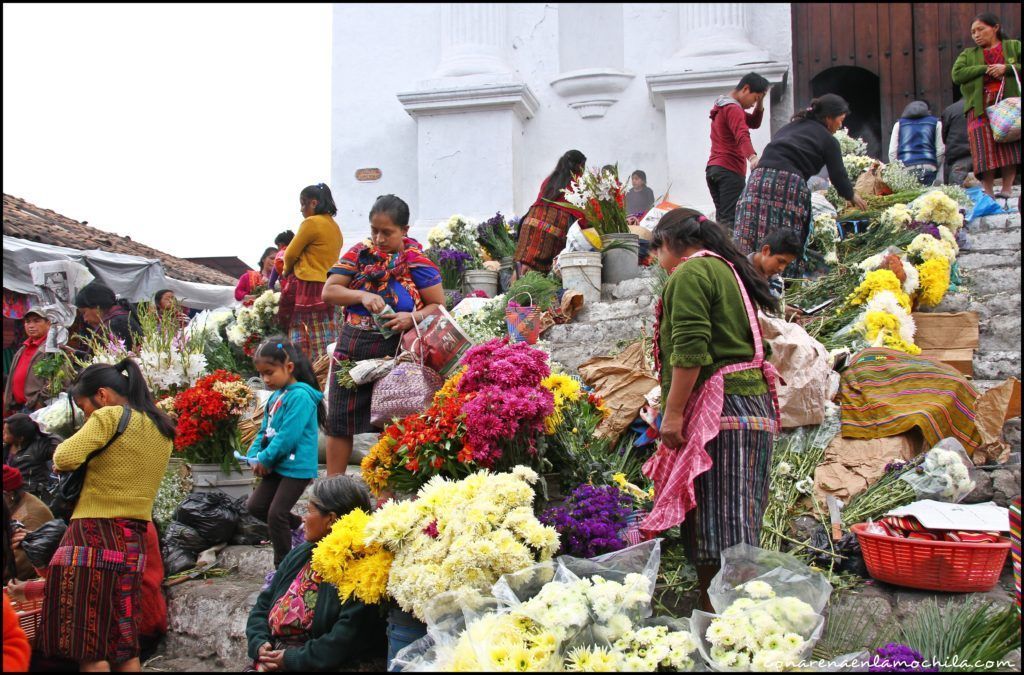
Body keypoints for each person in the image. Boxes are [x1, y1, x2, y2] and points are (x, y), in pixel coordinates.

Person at [642, 208, 780, 612]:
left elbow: (690, 351)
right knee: (737, 524)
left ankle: (723, 626)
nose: (657, 262)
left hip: (722, 413)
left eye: (657, 251)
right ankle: (732, 622)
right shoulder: (727, 269)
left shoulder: (690, 274)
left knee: (718, 532)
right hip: (750, 408)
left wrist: (672, 414)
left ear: (670, 243)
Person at [37, 359, 174, 672]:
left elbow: (64, 456)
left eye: (85, 406)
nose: (87, 414)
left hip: (93, 535)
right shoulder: (161, 426)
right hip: (135, 537)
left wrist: (87, 431)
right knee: (123, 642)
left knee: (90, 644)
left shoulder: (109, 416)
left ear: (102, 394)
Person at [322, 195, 443, 475]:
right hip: (352, 345)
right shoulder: (358, 254)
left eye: (387, 232)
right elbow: (329, 291)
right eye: (374, 230)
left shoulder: (416, 263)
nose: (378, 238)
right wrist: (361, 295)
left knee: (390, 419)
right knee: (339, 420)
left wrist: (411, 317)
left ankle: (387, 492)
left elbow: (437, 305)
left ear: (405, 230)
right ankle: (331, 490)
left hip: (394, 349)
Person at [245, 475, 384, 672]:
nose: (303, 518)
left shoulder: (361, 570)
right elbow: (263, 605)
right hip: (274, 657)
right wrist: (260, 643)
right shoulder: (302, 554)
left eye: (309, 511)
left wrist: (291, 659)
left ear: (331, 520)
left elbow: (345, 638)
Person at [733, 94, 868, 274]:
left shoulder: (790, 127)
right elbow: (838, 176)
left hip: (758, 180)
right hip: (787, 185)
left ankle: (741, 277)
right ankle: (783, 282)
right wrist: (852, 195)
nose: (841, 125)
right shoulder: (829, 140)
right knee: (785, 236)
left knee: (750, 231)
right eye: (840, 120)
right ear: (829, 118)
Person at [245, 338, 324, 567]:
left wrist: (265, 458)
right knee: (255, 507)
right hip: (278, 465)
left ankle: (283, 567)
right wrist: (254, 454)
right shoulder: (276, 396)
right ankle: (299, 526)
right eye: (261, 374)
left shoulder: (300, 396)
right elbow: (264, 430)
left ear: (289, 368)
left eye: (269, 373)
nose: (265, 380)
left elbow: (287, 436)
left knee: (276, 514)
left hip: (296, 467)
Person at [952, 13, 1021, 198]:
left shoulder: (1014, 47)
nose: (976, 35)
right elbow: (957, 74)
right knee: (983, 148)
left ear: (995, 27)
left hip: (1008, 105)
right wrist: (985, 69)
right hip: (979, 107)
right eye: (973, 31)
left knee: (1009, 144)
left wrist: (1006, 68)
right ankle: (988, 190)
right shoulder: (968, 54)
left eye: (981, 29)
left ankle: (1007, 188)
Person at [280, 183, 344, 360]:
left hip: (308, 289)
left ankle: (306, 380)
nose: (301, 209)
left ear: (314, 203)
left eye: (303, 204)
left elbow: (290, 254)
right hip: (329, 286)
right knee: (325, 340)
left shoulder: (311, 222)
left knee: (302, 340)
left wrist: (286, 272)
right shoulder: (335, 226)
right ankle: (324, 376)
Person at [706, 72, 770, 228]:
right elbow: (742, 133)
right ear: (746, 89)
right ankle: (728, 252)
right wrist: (752, 157)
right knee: (730, 222)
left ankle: (719, 250)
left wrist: (760, 101)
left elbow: (754, 122)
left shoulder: (724, 106)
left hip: (714, 170)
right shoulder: (734, 109)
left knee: (722, 220)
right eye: (755, 99)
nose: (754, 104)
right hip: (730, 170)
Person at [513, 149, 587, 275]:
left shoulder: (549, 179)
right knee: (546, 271)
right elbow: (583, 215)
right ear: (580, 165)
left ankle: (515, 289)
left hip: (531, 221)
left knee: (523, 266)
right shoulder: (579, 182)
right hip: (554, 225)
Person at [3, 465, 54, 582]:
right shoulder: (15, 504)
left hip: (25, 583)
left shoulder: (30, 515)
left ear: (9, 495)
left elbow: (18, 568)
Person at [3, 307, 53, 417]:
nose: (31, 325)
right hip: (20, 408)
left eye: (36, 321)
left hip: (36, 410)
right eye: (27, 322)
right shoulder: (23, 348)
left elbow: (57, 381)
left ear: (48, 323)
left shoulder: (51, 349)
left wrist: (38, 403)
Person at [74, 281, 143, 352]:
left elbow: (124, 359)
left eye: (84, 312)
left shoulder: (117, 323)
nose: (85, 319)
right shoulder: (118, 319)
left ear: (96, 306)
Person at [887, 100, 945, 186]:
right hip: (928, 168)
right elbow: (940, 150)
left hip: (906, 169)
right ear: (928, 111)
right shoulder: (936, 123)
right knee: (929, 198)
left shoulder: (899, 124)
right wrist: (934, 166)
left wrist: (897, 171)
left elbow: (892, 152)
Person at [4, 415, 58, 503]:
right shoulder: (6, 448)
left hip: (34, 497)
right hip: (11, 497)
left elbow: (61, 447)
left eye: (6, 433)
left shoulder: (38, 448)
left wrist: (46, 431)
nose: (3, 434)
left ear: (20, 438)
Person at [748, 229, 802, 302]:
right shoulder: (738, 271)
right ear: (766, 250)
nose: (782, 268)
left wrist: (780, 308)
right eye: (780, 261)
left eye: (786, 264)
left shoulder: (777, 282)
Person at [941, 99, 973, 187]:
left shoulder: (950, 110)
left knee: (954, 189)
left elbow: (944, 136)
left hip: (957, 153)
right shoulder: (984, 106)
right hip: (980, 151)